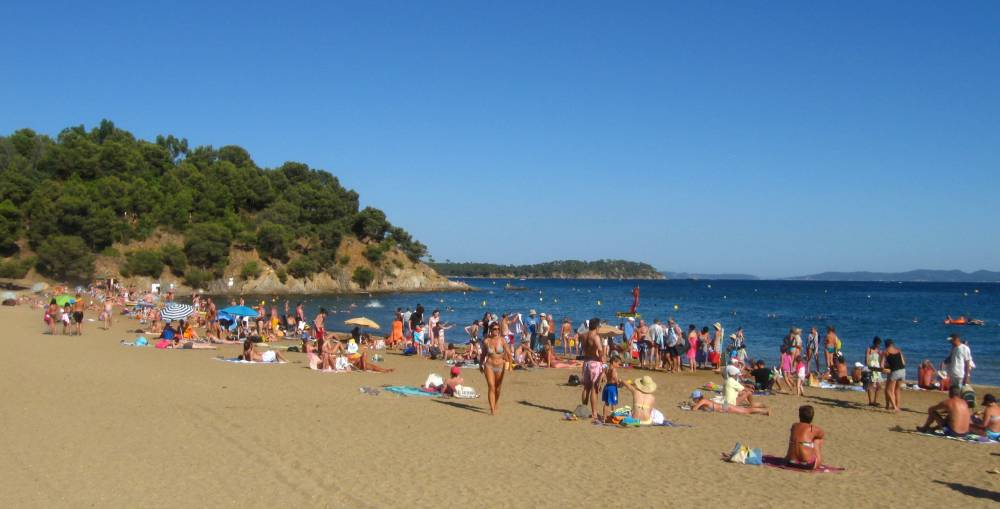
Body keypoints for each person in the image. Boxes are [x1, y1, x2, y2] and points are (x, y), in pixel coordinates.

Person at [480, 322, 512, 415]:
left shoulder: (502, 340)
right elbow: (483, 354)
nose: (497, 331)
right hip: (489, 365)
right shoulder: (486, 341)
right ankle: (492, 409)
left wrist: (510, 366)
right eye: (494, 329)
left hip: (500, 366)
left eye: (498, 329)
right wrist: (480, 365)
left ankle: (496, 402)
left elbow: (509, 353)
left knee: (498, 388)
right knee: (491, 386)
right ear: (491, 330)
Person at [784, 405, 826, 470]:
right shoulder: (813, 428)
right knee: (818, 440)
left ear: (799, 416)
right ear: (812, 417)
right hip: (807, 465)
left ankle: (790, 456)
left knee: (798, 440)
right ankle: (817, 460)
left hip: (789, 462)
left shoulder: (794, 425)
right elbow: (822, 434)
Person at [580, 318, 604, 420]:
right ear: (597, 326)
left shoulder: (584, 335)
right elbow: (600, 350)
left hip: (586, 362)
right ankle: (594, 413)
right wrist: (603, 361)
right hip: (594, 362)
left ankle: (584, 409)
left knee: (586, 387)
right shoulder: (595, 337)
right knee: (595, 388)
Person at [690, 390, 770, 415]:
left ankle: (765, 411)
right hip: (725, 407)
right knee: (745, 410)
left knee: (746, 411)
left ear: (696, 398)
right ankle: (764, 410)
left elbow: (694, 409)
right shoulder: (704, 401)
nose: (693, 400)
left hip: (725, 407)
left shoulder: (703, 401)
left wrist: (692, 406)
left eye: (693, 399)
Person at [883, 339, 906, 412]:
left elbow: (882, 364)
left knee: (889, 390)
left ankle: (894, 407)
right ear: (892, 344)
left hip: (895, 372)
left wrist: (886, 367)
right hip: (902, 371)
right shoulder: (898, 350)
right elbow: (903, 362)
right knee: (897, 390)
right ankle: (897, 406)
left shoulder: (885, 352)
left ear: (886, 345)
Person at [865, 337, 884, 407]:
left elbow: (882, 359)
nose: (878, 346)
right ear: (874, 343)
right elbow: (866, 361)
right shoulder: (869, 349)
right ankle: (870, 402)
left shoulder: (878, 351)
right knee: (871, 385)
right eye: (877, 344)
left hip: (878, 370)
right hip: (872, 369)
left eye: (879, 344)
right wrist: (870, 367)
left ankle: (875, 401)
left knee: (880, 386)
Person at [601, 354, 621, 421]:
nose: (619, 366)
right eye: (618, 364)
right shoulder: (614, 370)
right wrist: (618, 382)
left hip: (606, 387)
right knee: (613, 403)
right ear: (613, 362)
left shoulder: (607, 369)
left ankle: (604, 418)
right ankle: (613, 417)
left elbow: (604, 376)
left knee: (606, 403)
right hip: (612, 388)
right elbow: (614, 377)